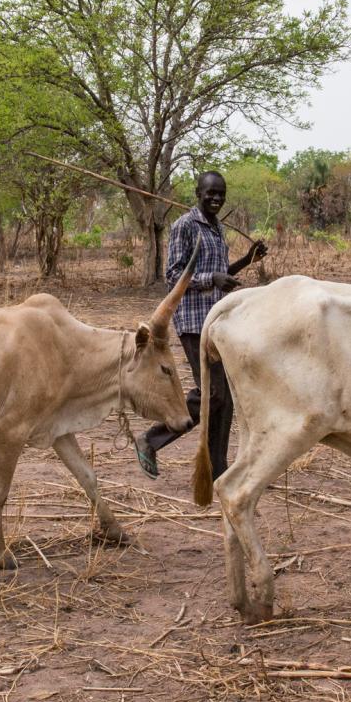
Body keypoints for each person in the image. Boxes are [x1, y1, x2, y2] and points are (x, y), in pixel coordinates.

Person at [135, 169, 267, 480]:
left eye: (221, 194)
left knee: (225, 396)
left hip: (218, 320)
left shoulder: (217, 228)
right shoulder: (185, 225)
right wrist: (211, 279)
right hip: (194, 320)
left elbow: (220, 273)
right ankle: (151, 439)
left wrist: (247, 260)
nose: (216, 199)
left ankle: (217, 469)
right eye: (210, 193)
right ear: (198, 193)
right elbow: (173, 275)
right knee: (214, 392)